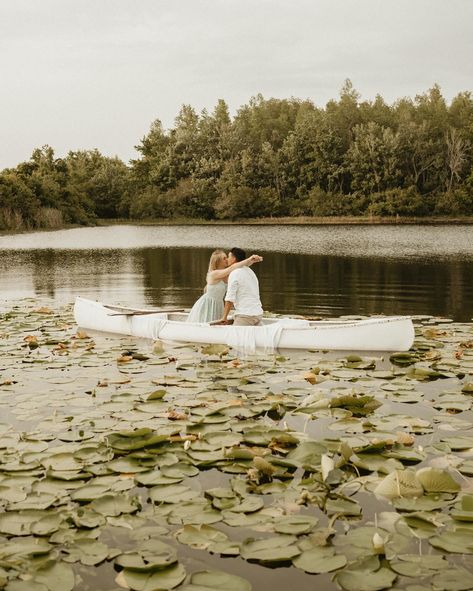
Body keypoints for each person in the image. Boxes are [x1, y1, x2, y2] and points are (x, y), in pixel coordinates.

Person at [186, 249, 262, 323]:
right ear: (218, 261)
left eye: (227, 257)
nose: (227, 259)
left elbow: (239, 266)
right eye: (224, 258)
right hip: (208, 304)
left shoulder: (227, 273)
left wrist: (252, 261)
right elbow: (233, 267)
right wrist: (249, 259)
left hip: (218, 304)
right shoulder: (214, 274)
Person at [217, 247, 264, 326]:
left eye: (229, 257)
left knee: (233, 338)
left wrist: (224, 317)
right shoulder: (250, 271)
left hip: (245, 316)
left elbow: (229, 298)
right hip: (258, 314)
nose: (227, 259)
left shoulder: (234, 273)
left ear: (234, 259)